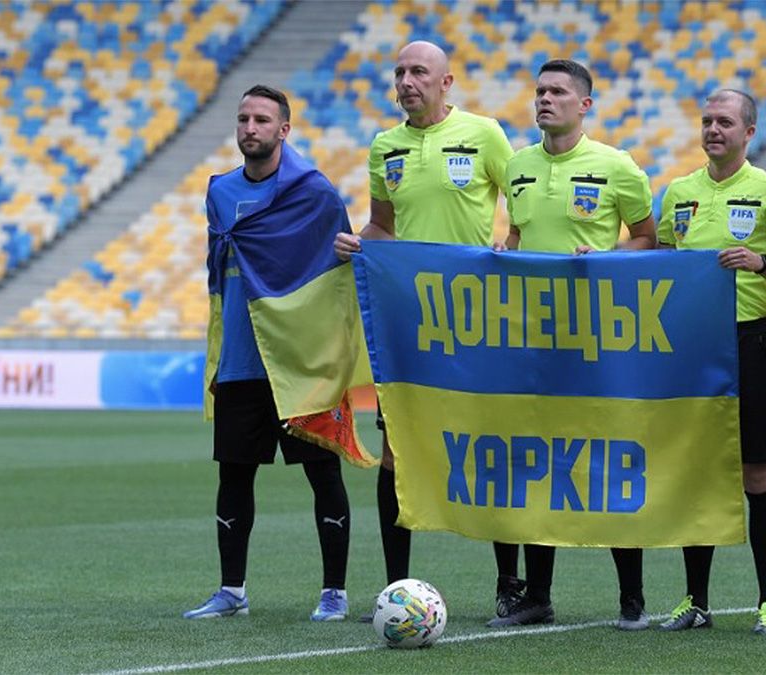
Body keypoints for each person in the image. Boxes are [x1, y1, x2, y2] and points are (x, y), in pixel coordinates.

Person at [332, 41, 523, 622]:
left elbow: (524, 209)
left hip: (477, 318)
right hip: (410, 320)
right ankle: (397, 588)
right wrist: (357, 243)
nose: (407, 80)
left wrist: (507, 249)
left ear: (447, 83)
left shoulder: (485, 134)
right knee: (398, 450)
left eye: (419, 71)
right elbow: (384, 225)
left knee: (493, 447)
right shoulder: (385, 146)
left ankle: (510, 585)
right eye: (400, 72)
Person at [490, 59, 657, 631]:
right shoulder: (517, 166)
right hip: (533, 338)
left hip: (595, 339)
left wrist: (607, 261)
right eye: (539, 90)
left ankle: (631, 600)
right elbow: (516, 235)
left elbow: (647, 240)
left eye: (558, 91)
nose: (545, 98)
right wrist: (506, 249)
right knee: (536, 462)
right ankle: (536, 596)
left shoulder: (617, 166)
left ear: (585, 105)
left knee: (608, 463)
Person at [185, 85, 354, 621]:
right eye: (243, 119)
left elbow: (335, 276)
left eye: (261, 120)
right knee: (233, 474)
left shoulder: (316, 194)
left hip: (302, 362)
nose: (250, 128)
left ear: (284, 130)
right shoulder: (219, 193)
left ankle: (335, 592)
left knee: (323, 473)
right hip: (240, 358)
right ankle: (231, 590)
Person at [655, 90, 766, 634]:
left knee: (756, 474)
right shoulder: (680, 192)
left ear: (749, 132)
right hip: (689, 345)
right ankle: (695, 601)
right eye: (707, 121)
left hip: (747, 342)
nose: (713, 129)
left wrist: (761, 262)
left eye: (724, 122)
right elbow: (659, 261)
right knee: (693, 473)